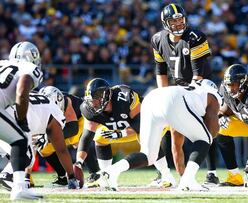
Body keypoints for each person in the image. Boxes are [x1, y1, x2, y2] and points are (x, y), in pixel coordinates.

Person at [97, 79, 221, 191]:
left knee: (149, 156)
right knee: (204, 138)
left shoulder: (191, 95)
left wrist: (183, 176)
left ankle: (111, 171)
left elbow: (176, 146)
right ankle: (188, 180)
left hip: (152, 97)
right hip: (173, 100)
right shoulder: (212, 96)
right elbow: (213, 133)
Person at [152, 3, 221, 185]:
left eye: (180, 19)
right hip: (179, 86)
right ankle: (178, 177)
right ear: (165, 22)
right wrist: (163, 96)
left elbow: (198, 74)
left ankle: (211, 172)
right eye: (173, 21)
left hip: (203, 85)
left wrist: (185, 98)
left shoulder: (195, 37)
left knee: (208, 130)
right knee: (172, 132)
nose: (178, 23)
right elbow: (161, 71)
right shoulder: (158, 39)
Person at [73, 78, 175, 188]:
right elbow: (86, 137)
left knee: (147, 141)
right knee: (99, 137)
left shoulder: (124, 97)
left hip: (150, 122)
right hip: (123, 127)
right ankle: (105, 176)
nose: (93, 104)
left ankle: (166, 176)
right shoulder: (88, 109)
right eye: (91, 100)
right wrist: (79, 162)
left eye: (96, 100)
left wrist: (120, 134)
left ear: (106, 96)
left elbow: (141, 126)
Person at [0, 92, 79, 190]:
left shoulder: (39, 102)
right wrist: (71, 177)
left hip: (5, 108)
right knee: (26, 155)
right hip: (11, 116)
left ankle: (12, 176)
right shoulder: (55, 113)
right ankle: (7, 175)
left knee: (16, 150)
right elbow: (61, 150)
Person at [0, 41, 43, 200]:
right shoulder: (30, 68)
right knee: (20, 139)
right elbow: (23, 86)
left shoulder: (3, 63)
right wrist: (21, 118)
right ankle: (19, 187)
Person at [37, 86, 100, 187]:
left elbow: (72, 129)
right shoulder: (39, 107)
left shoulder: (67, 101)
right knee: (43, 148)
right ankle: (62, 177)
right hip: (62, 126)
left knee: (78, 140)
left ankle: (95, 174)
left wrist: (49, 137)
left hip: (78, 120)